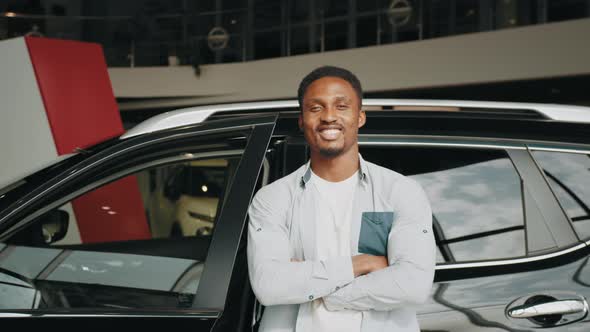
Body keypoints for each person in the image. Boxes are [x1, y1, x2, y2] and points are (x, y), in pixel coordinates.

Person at [247, 66, 436, 332]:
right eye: (316, 108)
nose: (329, 117)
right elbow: (269, 286)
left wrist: (325, 293)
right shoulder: (272, 199)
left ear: (359, 117)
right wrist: (362, 264)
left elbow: (413, 285)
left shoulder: (401, 192)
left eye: (341, 106)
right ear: (302, 121)